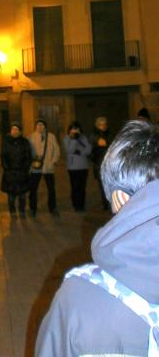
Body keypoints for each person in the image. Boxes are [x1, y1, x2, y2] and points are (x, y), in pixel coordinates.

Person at [35, 120, 159, 357]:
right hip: (72, 167)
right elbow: (72, 150)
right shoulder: (83, 136)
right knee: (75, 189)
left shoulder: (79, 297)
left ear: (120, 199)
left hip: (80, 167)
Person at [28, 119, 60, 217]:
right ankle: (33, 208)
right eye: (38, 125)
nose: (40, 127)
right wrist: (30, 162)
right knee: (33, 189)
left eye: (42, 125)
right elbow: (27, 151)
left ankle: (53, 208)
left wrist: (53, 161)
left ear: (45, 127)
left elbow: (57, 150)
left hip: (48, 167)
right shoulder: (30, 137)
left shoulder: (51, 136)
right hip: (35, 167)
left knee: (51, 189)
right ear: (35, 126)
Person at [0, 122, 32, 219]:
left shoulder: (25, 141)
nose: (15, 131)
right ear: (10, 131)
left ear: (20, 131)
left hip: (22, 172)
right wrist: (7, 168)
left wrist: (25, 167)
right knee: (11, 195)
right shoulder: (6, 141)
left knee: (22, 194)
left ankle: (22, 211)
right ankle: (12, 212)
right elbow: (3, 156)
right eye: (13, 129)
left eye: (16, 129)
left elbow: (28, 156)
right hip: (10, 172)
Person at [63, 121, 92, 212]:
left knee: (82, 187)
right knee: (75, 187)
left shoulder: (83, 138)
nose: (75, 131)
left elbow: (88, 150)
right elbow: (69, 150)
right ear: (70, 130)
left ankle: (82, 205)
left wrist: (80, 152)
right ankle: (76, 205)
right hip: (73, 167)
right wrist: (74, 140)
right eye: (73, 128)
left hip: (83, 166)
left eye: (77, 129)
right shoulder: (67, 138)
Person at [89, 116, 111, 210]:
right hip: (100, 164)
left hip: (110, 164)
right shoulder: (94, 135)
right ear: (97, 125)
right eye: (101, 125)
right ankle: (106, 204)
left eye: (105, 124)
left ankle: (110, 203)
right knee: (103, 186)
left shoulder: (109, 134)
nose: (103, 126)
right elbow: (90, 150)